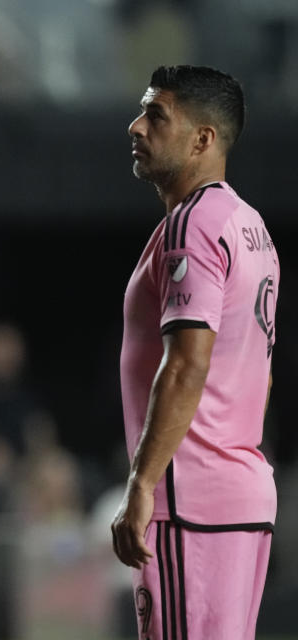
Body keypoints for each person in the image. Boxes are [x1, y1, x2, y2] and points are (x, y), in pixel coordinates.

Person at [112, 65, 277, 640]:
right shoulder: (248, 224)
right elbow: (260, 375)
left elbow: (186, 362)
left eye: (156, 116)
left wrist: (142, 485)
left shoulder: (195, 223)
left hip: (191, 504)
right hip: (237, 496)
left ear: (203, 138)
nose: (136, 126)